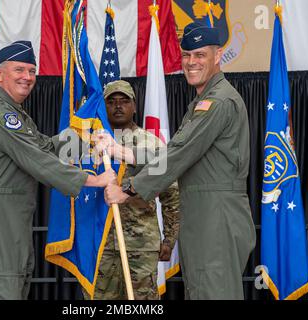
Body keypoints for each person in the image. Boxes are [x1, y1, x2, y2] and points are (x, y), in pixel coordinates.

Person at [101, 23, 256, 300]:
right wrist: (126, 154)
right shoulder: (202, 102)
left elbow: (178, 154)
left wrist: (127, 191)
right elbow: (175, 151)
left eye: (199, 55)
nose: (191, 62)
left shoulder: (218, 102)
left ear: (218, 55)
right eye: (186, 55)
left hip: (215, 215)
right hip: (202, 214)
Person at [0, 40, 116, 300]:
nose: (27, 77)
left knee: (13, 284)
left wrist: (82, 133)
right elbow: (37, 160)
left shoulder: (14, 113)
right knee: (1, 289)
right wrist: (94, 181)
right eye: (19, 70)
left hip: (8, 217)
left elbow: (44, 147)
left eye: (32, 71)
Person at [84, 80, 180, 300]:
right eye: (112, 101)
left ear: (135, 106)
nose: (118, 106)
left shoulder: (152, 143)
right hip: (100, 244)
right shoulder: (90, 143)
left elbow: (171, 195)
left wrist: (169, 239)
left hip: (141, 244)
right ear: (103, 106)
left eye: (124, 101)